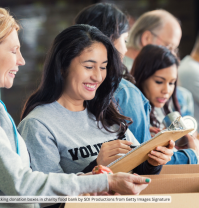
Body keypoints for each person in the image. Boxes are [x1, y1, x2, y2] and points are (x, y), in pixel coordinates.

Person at [0, 5, 150, 208]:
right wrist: (102, 178)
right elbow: (22, 184)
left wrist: (150, 160)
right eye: (14, 51)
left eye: (103, 67)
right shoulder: (27, 121)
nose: (22, 60)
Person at [18, 24, 174, 179]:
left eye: (103, 67)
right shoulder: (38, 125)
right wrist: (97, 167)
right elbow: (48, 198)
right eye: (89, 66)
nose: (98, 77)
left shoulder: (105, 111)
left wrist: (153, 161)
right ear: (62, 67)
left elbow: (138, 173)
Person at [73, 3, 197, 165]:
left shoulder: (69, 89)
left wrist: (145, 136)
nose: (125, 49)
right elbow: (141, 162)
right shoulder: (125, 92)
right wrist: (190, 155)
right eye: (125, 40)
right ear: (108, 42)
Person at [131, 44, 199, 164]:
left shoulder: (164, 110)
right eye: (159, 82)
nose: (166, 90)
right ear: (142, 77)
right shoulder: (131, 113)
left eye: (172, 83)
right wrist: (191, 154)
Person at [125, 9, 194, 117]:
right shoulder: (123, 74)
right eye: (169, 47)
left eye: (171, 83)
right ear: (146, 38)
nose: (173, 55)